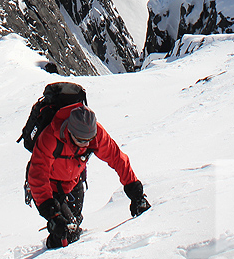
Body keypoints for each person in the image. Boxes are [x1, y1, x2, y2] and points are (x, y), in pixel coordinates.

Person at [27, 104, 150, 248]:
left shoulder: (96, 134)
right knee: (65, 233)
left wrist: (136, 194)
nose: (85, 145)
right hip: (49, 187)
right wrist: (52, 214)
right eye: (80, 140)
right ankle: (49, 256)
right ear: (69, 131)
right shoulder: (50, 137)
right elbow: (38, 176)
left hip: (73, 181)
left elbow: (117, 159)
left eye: (88, 140)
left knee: (74, 224)